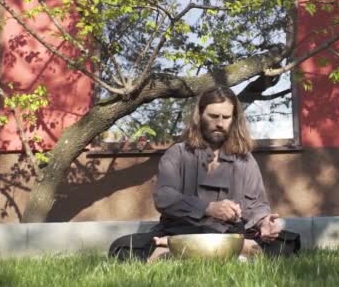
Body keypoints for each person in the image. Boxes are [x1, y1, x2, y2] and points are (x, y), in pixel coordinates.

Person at [109, 86, 300, 261]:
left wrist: (264, 222)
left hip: (230, 235)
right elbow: (164, 197)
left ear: (234, 119)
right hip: (180, 231)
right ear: (200, 115)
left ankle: (177, 252)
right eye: (213, 116)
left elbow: (256, 205)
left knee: (287, 244)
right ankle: (226, 253)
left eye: (226, 118)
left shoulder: (245, 160)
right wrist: (208, 208)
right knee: (121, 248)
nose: (219, 123)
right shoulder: (178, 153)